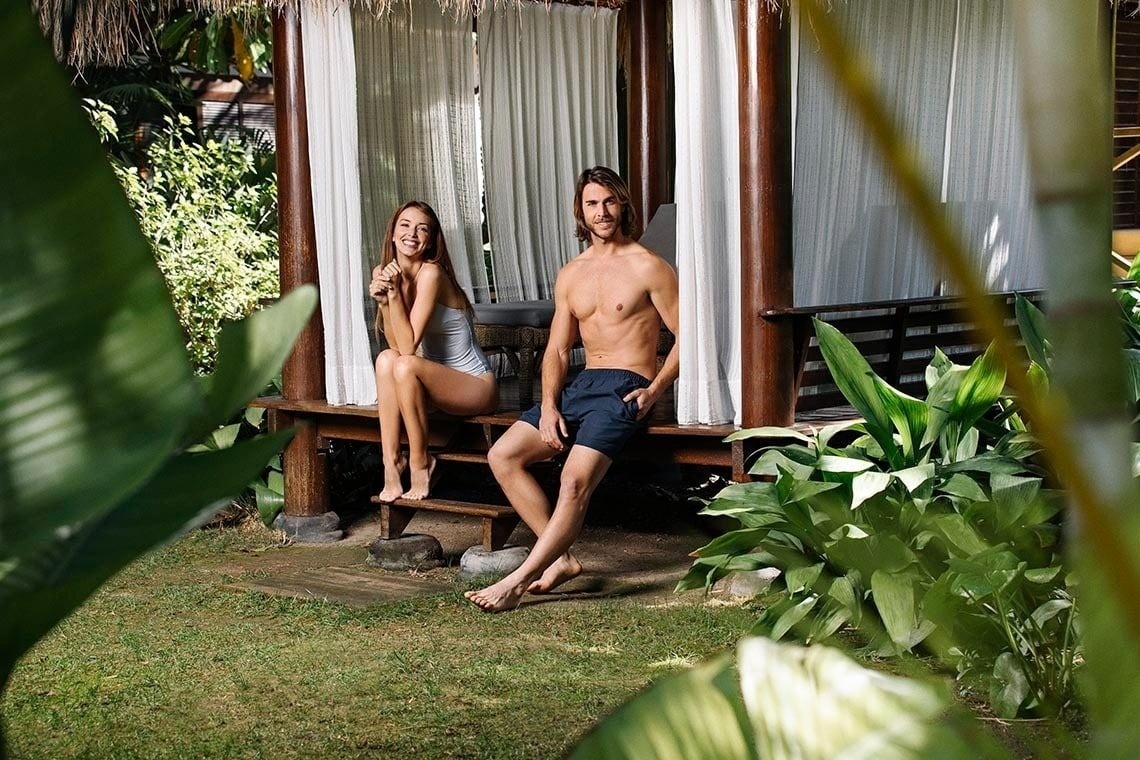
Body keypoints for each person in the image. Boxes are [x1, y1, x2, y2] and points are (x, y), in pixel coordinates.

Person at [465, 166, 679, 613]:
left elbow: (688, 337)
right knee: (502, 455)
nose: (601, 212)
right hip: (582, 384)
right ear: (580, 212)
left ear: (622, 205)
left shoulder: (649, 266)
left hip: (627, 385)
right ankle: (560, 558)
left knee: (573, 479)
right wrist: (547, 406)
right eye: (591, 203)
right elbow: (558, 350)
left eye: (608, 201)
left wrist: (654, 390)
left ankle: (518, 581)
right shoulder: (571, 274)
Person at [370, 201, 498, 503]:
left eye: (422, 228)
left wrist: (393, 293)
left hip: (475, 384)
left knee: (404, 365)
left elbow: (409, 346)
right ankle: (391, 463)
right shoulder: (384, 272)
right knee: (387, 360)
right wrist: (385, 300)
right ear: (392, 233)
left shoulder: (432, 274)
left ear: (431, 239)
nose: (411, 233)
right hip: (432, 384)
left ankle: (420, 462)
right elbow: (395, 346)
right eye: (405, 225)